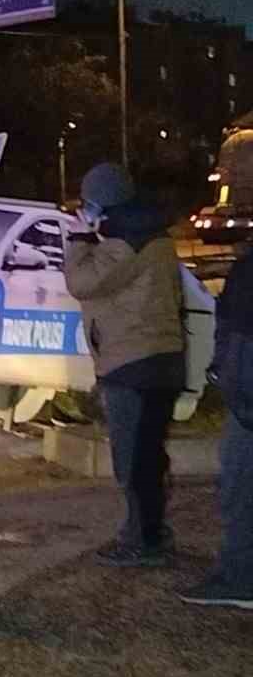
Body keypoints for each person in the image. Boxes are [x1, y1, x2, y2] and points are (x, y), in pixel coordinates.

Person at [64, 163, 185, 567]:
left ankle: (141, 542)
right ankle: (152, 533)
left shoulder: (125, 242)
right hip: (158, 360)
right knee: (148, 455)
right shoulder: (153, 236)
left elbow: (82, 282)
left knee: (133, 460)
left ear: (101, 203)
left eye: (88, 204)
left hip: (133, 363)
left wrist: (80, 238)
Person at [180, 244, 253, 608]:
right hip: (242, 393)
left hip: (247, 399)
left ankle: (241, 579)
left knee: (240, 487)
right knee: (237, 486)